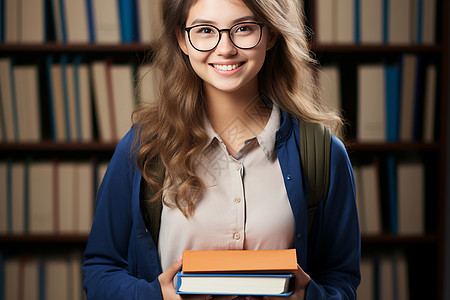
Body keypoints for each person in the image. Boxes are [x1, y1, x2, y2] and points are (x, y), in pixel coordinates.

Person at [82, 0, 361, 299]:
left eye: (243, 28)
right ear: (182, 39)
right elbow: (100, 269)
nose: (225, 48)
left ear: (271, 35)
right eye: (205, 30)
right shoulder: (144, 148)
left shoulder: (323, 153)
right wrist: (154, 296)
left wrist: (310, 297)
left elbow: (341, 279)